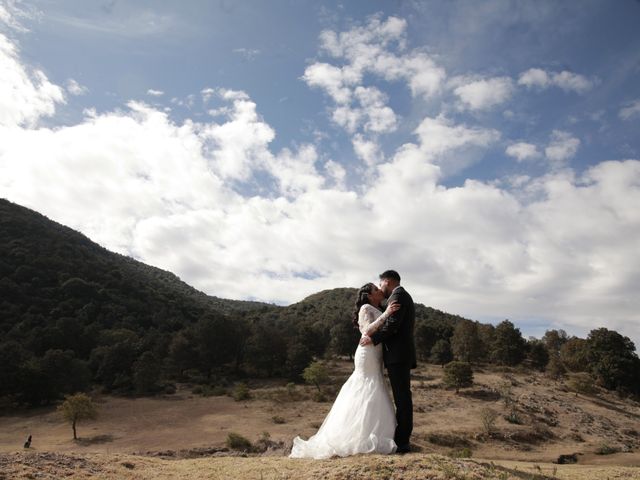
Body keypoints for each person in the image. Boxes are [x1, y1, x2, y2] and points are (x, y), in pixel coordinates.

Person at [289, 283, 400, 459]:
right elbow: (366, 331)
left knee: (375, 386)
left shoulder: (378, 307)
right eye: (376, 290)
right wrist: (387, 314)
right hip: (368, 351)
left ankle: (371, 432)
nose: (380, 291)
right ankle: (358, 436)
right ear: (370, 295)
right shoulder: (365, 307)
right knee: (366, 386)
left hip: (376, 352)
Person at [360, 270, 416, 454]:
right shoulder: (397, 296)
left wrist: (374, 340)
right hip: (397, 355)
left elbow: (393, 325)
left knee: (402, 399)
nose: (380, 288)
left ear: (387, 281)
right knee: (402, 398)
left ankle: (403, 442)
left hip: (398, 356)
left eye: (380, 284)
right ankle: (400, 439)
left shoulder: (398, 295)